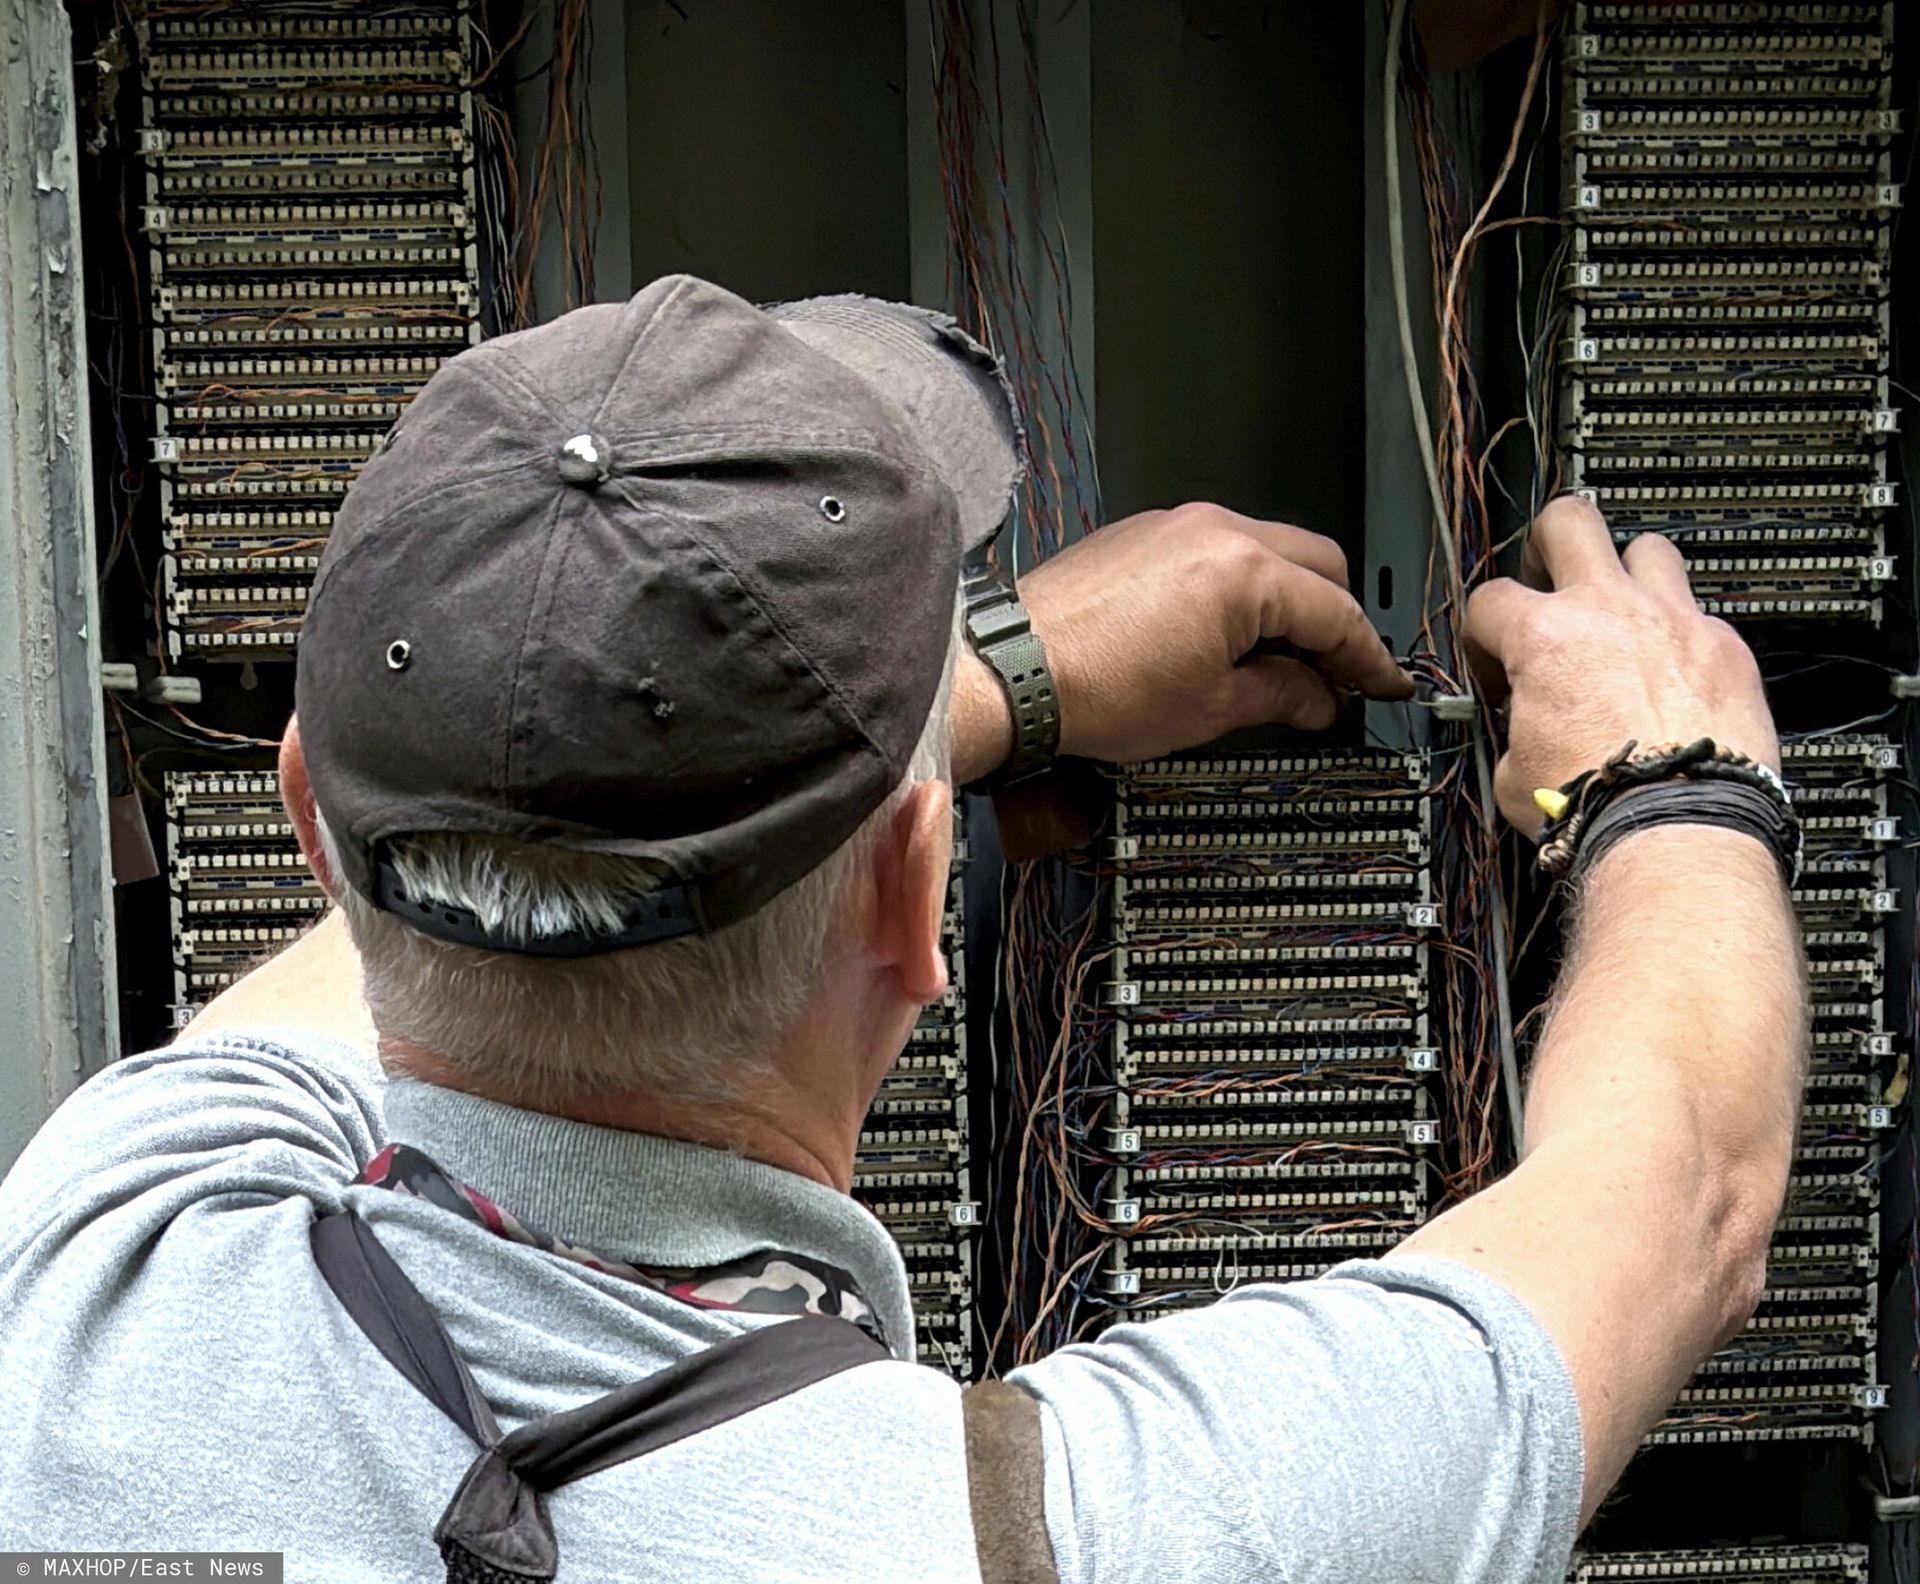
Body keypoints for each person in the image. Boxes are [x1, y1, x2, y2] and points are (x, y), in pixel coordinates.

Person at [0, 276, 1802, 1584]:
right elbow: (1686, 1195)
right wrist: (1674, 774)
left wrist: (973, 696)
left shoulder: (90, 1275)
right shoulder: (1090, 1539)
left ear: (306, 820)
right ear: (914, 899)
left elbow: (403, 926)